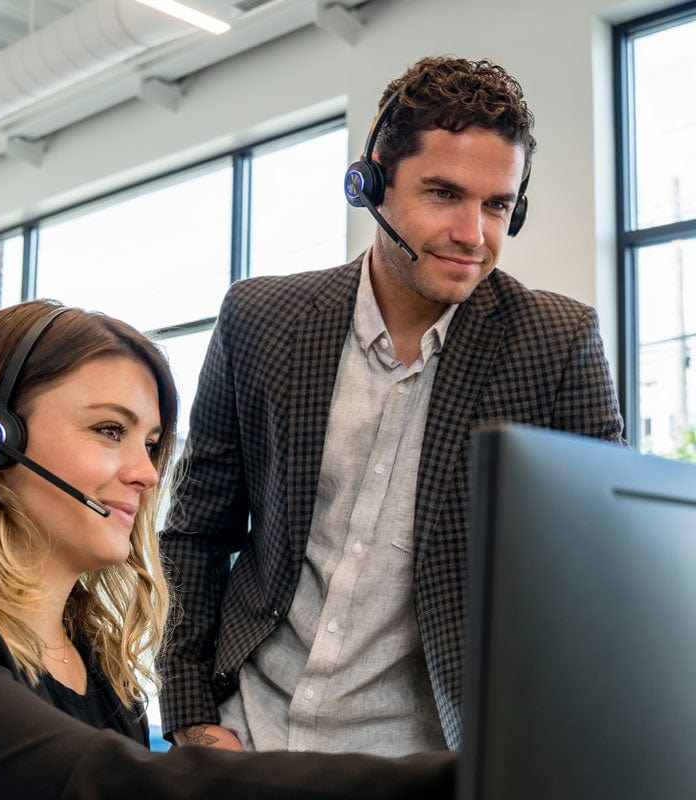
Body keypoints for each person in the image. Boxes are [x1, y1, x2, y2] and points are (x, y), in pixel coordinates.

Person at [159, 56, 625, 755]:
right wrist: (192, 714)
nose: (474, 234)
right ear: (370, 180)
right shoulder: (261, 319)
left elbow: (601, 573)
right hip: (246, 739)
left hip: (422, 765)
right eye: (444, 194)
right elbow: (197, 533)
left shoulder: (555, 343)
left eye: (498, 205)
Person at [0, 299, 456, 799]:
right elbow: (100, 779)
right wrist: (469, 779)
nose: (145, 474)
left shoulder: (103, 672)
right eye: (110, 430)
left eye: (152, 444)